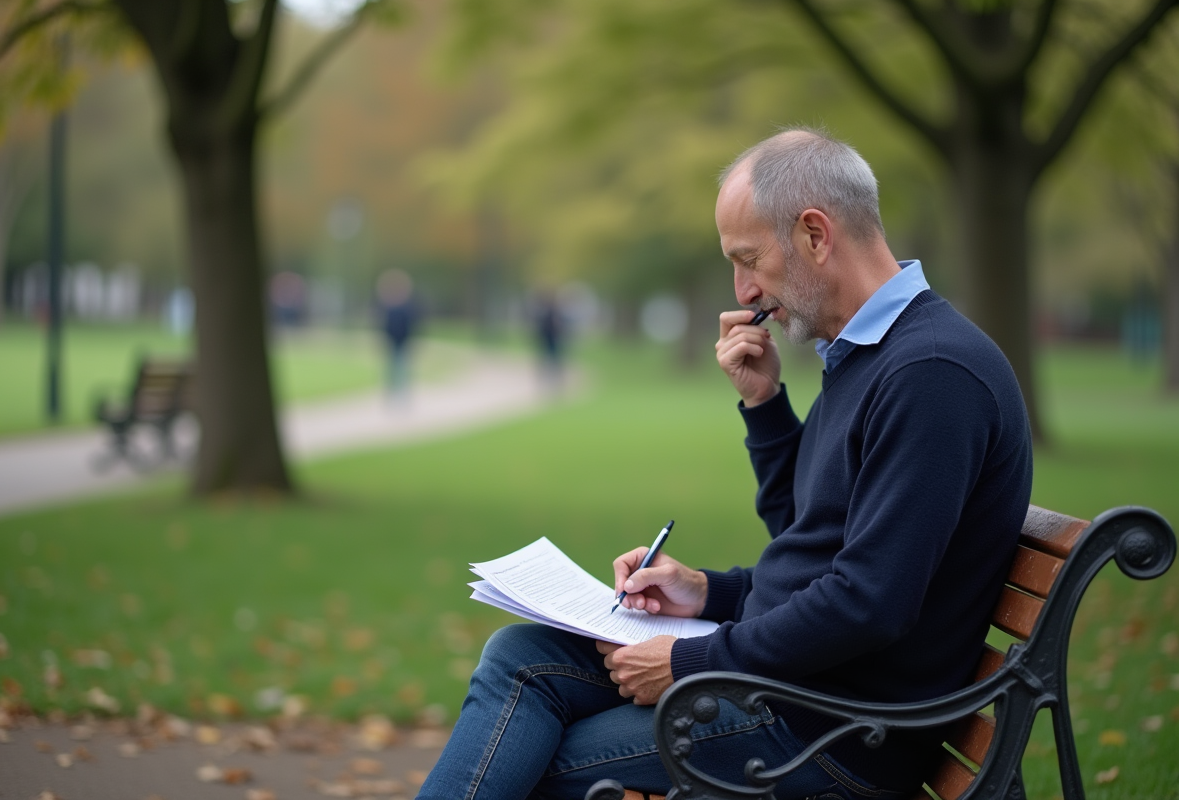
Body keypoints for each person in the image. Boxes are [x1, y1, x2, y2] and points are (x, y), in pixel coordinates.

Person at [416, 127, 1032, 800]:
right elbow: (810, 536)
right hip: (795, 689)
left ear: (815, 235)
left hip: (832, 733)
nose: (742, 290)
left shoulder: (931, 373)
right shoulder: (867, 353)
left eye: (748, 259)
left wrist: (691, 660)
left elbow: (869, 602)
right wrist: (708, 587)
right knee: (521, 657)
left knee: (538, 768)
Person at [374, 269, 418, 399]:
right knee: (392, 368)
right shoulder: (387, 308)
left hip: (403, 342)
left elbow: (411, 326)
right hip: (391, 342)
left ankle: (403, 393)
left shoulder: (407, 307)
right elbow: (384, 327)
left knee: (402, 367)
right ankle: (392, 392)